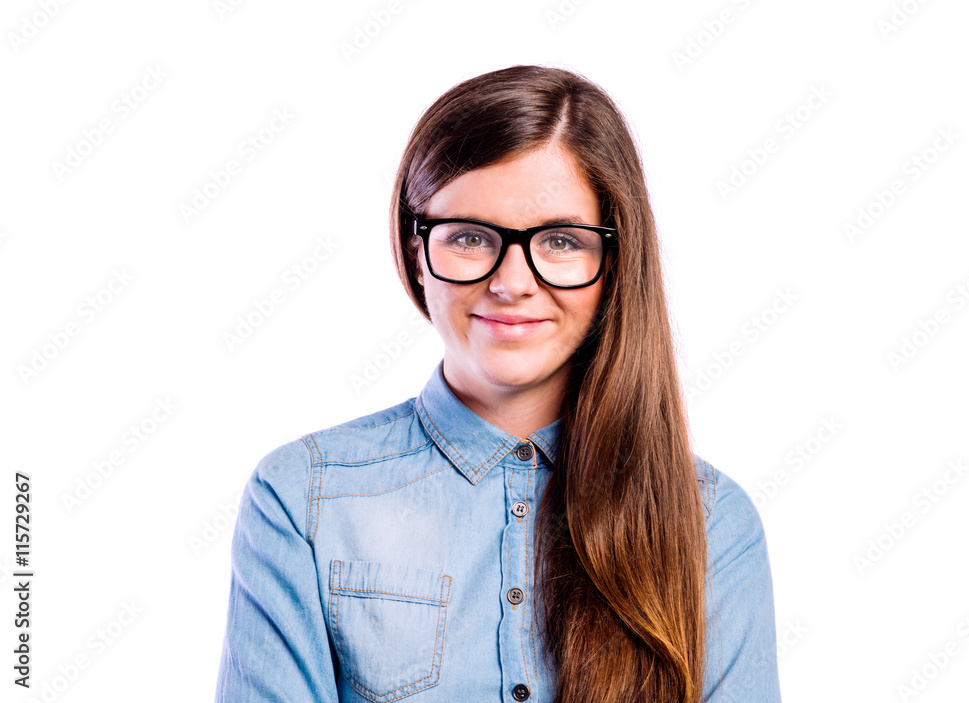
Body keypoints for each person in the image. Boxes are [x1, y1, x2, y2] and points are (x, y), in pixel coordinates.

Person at [214, 64, 781, 703]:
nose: (511, 282)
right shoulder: (304, 499)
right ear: (415, 248)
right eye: (470, 238)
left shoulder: (712, 522)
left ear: (615, 262)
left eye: (562, 241)